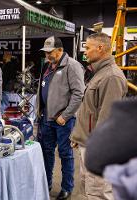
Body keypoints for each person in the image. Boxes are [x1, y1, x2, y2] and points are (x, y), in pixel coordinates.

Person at [70, 32, 128, 200]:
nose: (85, 52)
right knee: (89, 191)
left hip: (98, 150)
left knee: (98, 193)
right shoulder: (99, 73)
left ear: (100, 48)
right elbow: (90, 110)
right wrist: (78, 136)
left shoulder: (111, 77)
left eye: (87, 48)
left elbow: (107, 120)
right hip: (88, 144)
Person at [36, 36, 85, 200]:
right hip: (46, 119)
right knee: (46, 153)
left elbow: (79, 94)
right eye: (46, 52)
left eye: (50, 52)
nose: (47, 55)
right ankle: (46, 183)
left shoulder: (72, 65)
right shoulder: (47, 66)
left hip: (63, 120)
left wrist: (65, 116)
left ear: (60, 50)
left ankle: (67, 188)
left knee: (65, 154)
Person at [85, 96, 137, 200]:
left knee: (98, 191)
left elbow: (95, 156)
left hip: (98, 144)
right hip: (93, 140)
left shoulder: (113, 79)